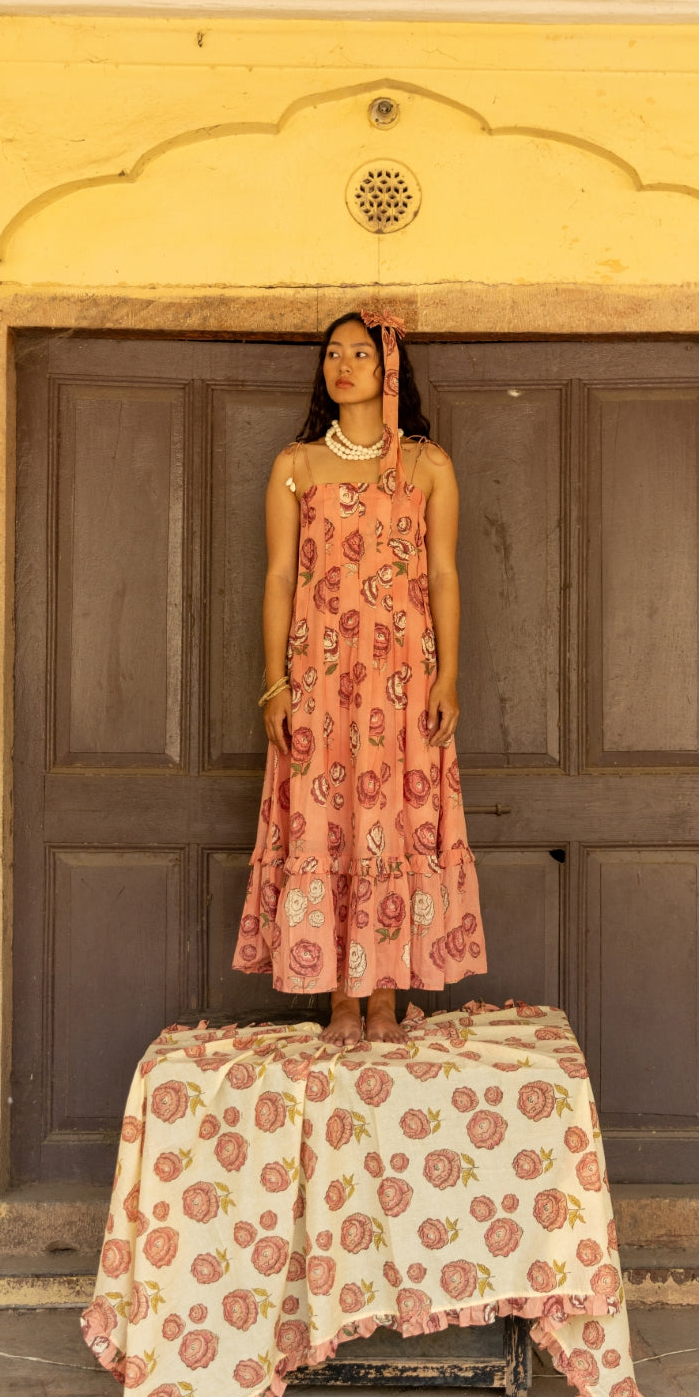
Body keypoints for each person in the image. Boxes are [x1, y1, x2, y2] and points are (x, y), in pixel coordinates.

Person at [232, 309, 487, 1044]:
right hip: (321, 678)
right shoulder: (296, 466)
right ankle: (339, 995)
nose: (343, 365)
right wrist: (276, 684)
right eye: (333, 353)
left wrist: (449, 678)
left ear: (389, 367)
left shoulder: (427, 465)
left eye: (360, 353)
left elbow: (443, 572)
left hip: (405, 679)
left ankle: (384, 990)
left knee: (397, 820)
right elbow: (279, 577)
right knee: (327, 819)